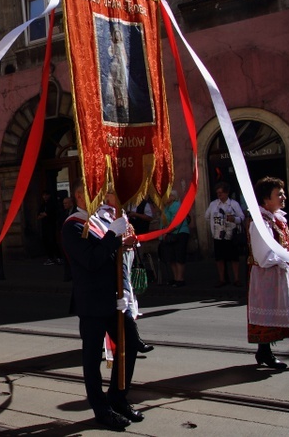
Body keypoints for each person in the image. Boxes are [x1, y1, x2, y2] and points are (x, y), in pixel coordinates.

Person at [62, 180, 143, 431]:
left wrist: (125, 242)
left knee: (128, 346)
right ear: (79, 196)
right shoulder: (72, 226)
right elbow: (91, 260)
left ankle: (118, 397)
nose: (98, 198)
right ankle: (101, 409)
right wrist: (112, 236)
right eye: (92, 193)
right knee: (92, 358)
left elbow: (111, 253)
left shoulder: (100, 220)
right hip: (92, 301)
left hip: (114, 297)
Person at [247, 177, 289, 370]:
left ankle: (264, 352)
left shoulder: (277, 218)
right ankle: (265, 351)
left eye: (283, 192)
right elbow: (264, 256)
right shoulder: (260, 223)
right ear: (265, 199)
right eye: (278, 194)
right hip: (268, 275)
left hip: (284, 273)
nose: (283, 196)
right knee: (271, 312)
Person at [97, 191, 154, 356]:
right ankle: (132, 341)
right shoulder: (103, 214)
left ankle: (128, 340)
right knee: (123, 298)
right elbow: (105, 239)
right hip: (115, 261)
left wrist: (132, 241)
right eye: (114, 194)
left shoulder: (120, 212)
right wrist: (123, 242)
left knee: (128, 298)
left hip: (127, 258)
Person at [205, 182, 245, 287]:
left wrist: (234, 219)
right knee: (219, 258)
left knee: (234, 258)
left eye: (221, 192)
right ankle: (222, 279)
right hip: (218, 235)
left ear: (227, 193)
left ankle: (236, 279)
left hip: (231, 235)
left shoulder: (233, 204)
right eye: (217, 192)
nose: (219, 195)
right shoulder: (213, 204)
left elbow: (241, 217)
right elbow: (207, 216)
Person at [160, 190, 190, 287]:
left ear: (173, 197)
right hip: (168, 235)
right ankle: (175, 277)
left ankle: (180, 278)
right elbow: (163, 222)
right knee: (172, 257)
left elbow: (176, 221)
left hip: (180, 233)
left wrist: (167, 231)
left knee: (179, 256)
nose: (165, 198)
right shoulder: (166, 208)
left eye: (167, 196)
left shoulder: (176, 205)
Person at [38, 190, 63, 265]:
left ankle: (58, 257)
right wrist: (44, 214)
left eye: (46, 195)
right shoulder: (43, 205)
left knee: (53, 241)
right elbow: (38, 216)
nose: (45, 197)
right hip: (44, 226)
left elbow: (50, 213)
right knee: (46, 241)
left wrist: (45, 214)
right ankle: (50, 258)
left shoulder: (52, 204)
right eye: (43, 195)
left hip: (51, 225)